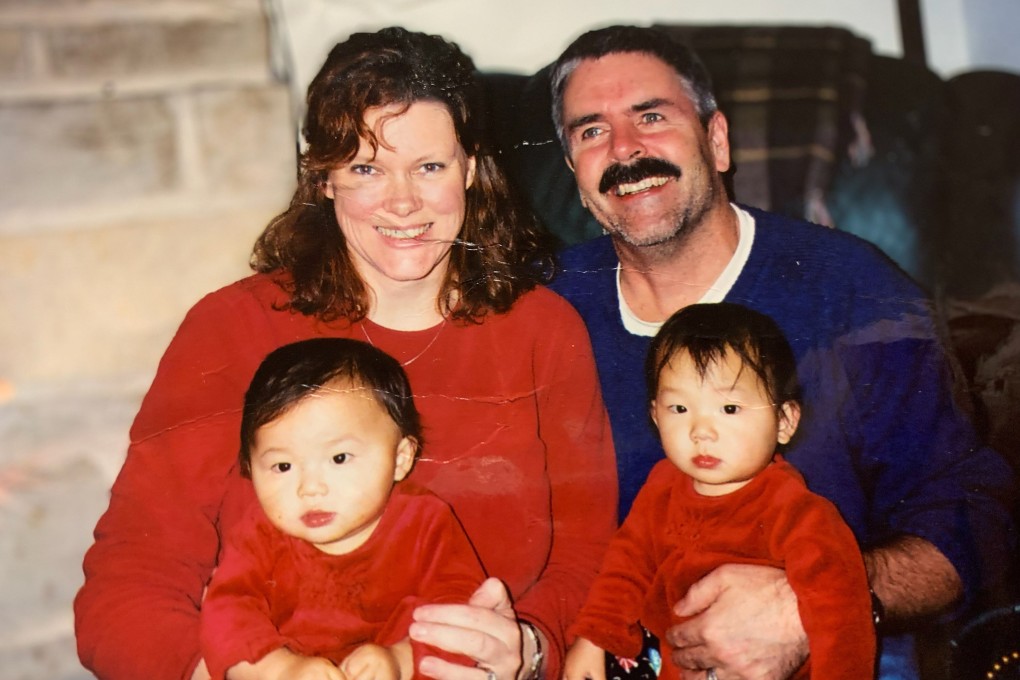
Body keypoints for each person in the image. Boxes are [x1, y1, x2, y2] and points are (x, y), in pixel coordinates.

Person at [74, 27, 617, 680]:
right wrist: (224, 672)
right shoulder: (232, 329)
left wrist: (531, 646)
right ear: (323, 178)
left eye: (429, 166)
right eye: (366, 168)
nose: (403, 201)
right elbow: (131, 576)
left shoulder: (542, 331)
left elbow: (587, 555)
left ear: (472, 170)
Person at [546, 24, 1013, 680]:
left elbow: (975, 511)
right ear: (573, 170)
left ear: (717, 139)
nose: (625, 149)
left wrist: (815, 603)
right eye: (591, 131)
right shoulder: (545, 311)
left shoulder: (854, 293)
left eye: (652, 116)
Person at [563, 304, 875, 680]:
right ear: (655, 415)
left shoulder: (800, 514)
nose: (701, 431)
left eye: (729, 408)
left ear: (785, 421)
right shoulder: (662, 487)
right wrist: (594, 639)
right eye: (679, 408)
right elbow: (625, 567)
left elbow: (843, 624)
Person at [200, 338, 486, 680]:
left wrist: (401, 660)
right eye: (282, 466)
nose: (310, 488)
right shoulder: (258, 536)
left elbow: (462, 614)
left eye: (339, 458)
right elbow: (226, 616)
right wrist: (279, 670)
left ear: (400, 458)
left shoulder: (425, 523)